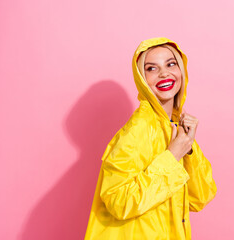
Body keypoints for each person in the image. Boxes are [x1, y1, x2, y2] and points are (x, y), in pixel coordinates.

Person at [84, 37, 217, 240]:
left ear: (181, 70)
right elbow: (118, 200)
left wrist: (188, 150)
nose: (164, 73)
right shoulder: (137, 129)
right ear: (141, 78)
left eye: (171, 64)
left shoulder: (174, 130)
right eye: (151, 68)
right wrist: (172, 156)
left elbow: (199, 198)